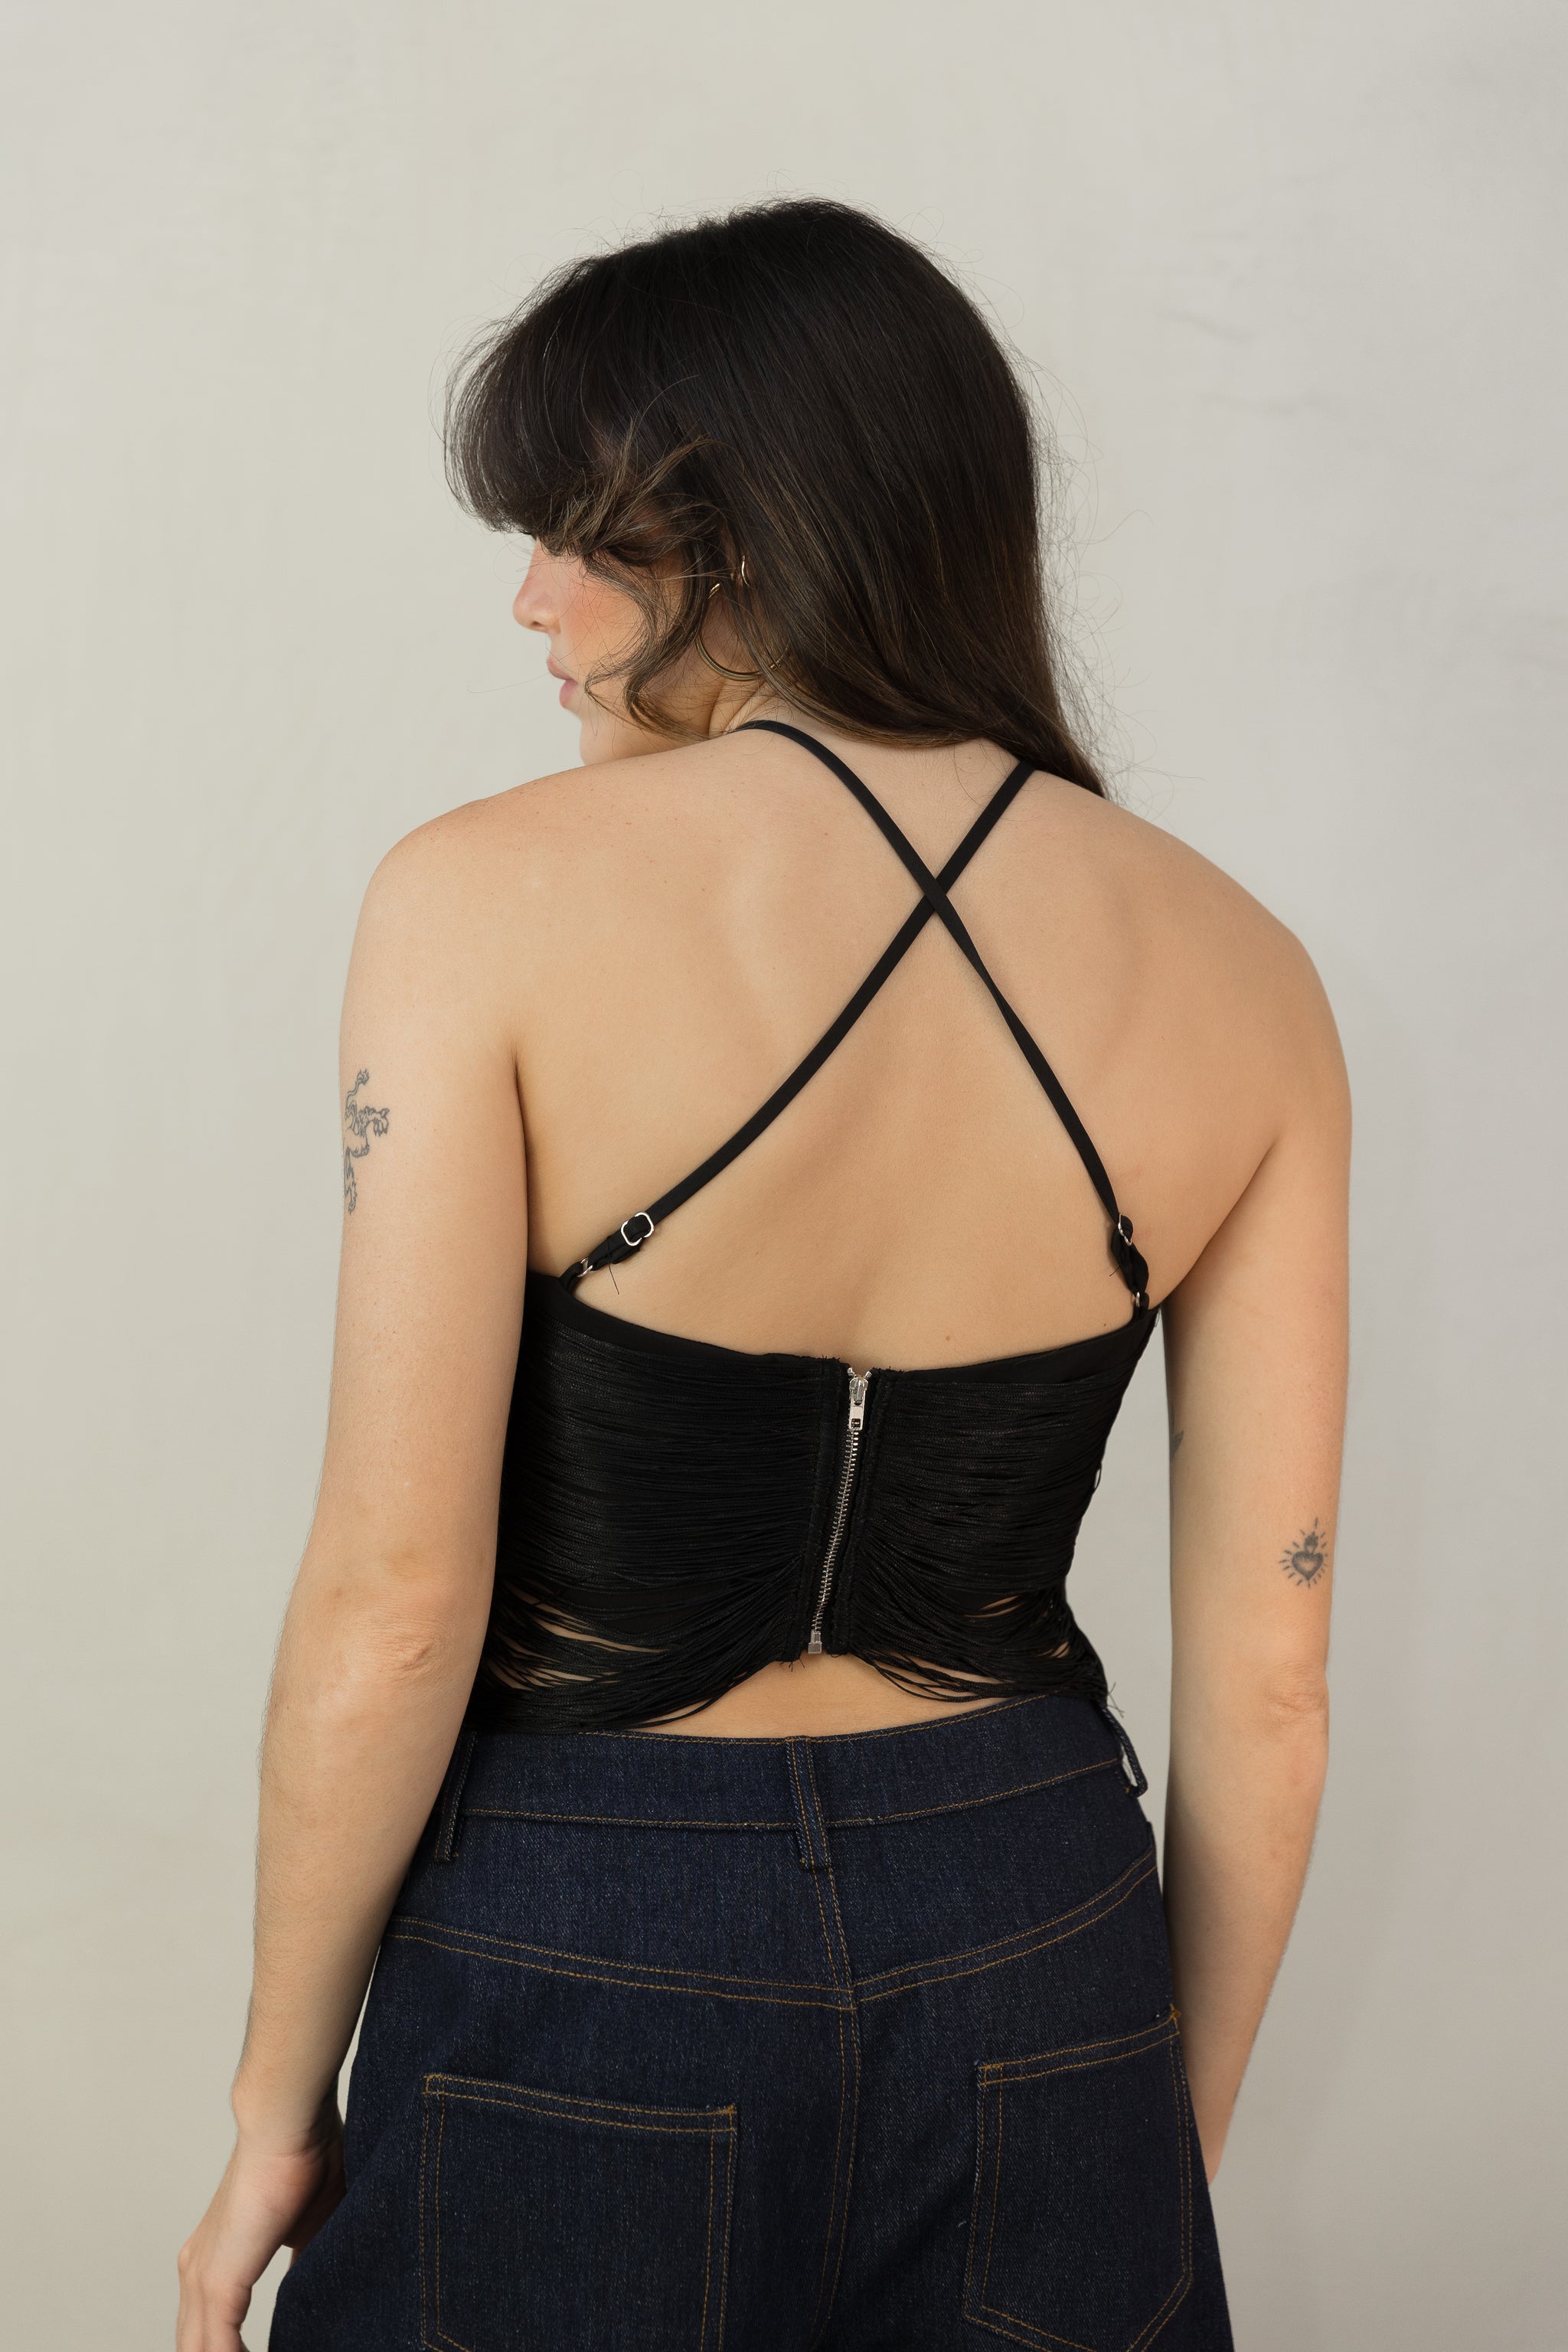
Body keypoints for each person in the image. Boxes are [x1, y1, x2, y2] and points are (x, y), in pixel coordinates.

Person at [177, 198, 1347, 2352]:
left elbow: (396, 1597)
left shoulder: (480, 900)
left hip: (591, 1912)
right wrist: (1146, 2138)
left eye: (581, 536)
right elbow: (1272, 1681)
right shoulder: (1247, 970)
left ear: (740, 541)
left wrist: (274, 2109)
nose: (531, 601)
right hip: (1040, 1920)